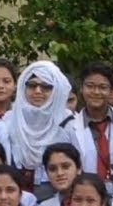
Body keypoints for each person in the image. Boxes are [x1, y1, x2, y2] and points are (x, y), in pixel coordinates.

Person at [4, 60, 73, 197]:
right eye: (32, 85)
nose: (38, 91)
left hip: (55, 193)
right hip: (13, 191)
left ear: (56, 90)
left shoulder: (67, 122)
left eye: (46, 87)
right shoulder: (10, 119)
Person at [65, 63, 113, 192]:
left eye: (103, 87)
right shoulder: (69, 127)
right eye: (90, 86)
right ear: (81, 88)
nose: (96, 92)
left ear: (112, 90)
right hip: (84, 195)